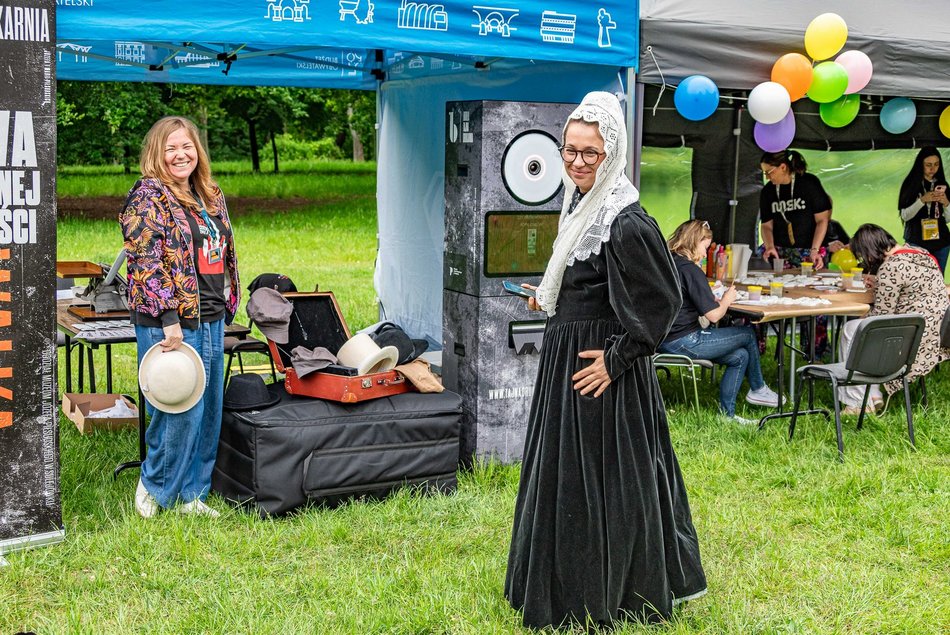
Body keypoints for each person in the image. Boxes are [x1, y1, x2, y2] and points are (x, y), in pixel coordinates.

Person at [504, 92, 707, 628]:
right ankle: (566, 582)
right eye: (568, 151)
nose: (574, 163)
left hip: (602, 371)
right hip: (567, 355)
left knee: (604, 479)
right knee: (567, 476)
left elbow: (663, 302)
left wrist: (618, 359)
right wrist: (548, 296)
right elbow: (589, 280)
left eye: (588, 154)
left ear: (612, 152)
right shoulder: (581, 202)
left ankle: (614, 591)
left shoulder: (626, 220)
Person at [120, 116, 240, 518]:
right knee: (175, 406)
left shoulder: (209, 193)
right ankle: (155, 488)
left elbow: (221, 251)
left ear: (197, 151)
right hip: (168, 320)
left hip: (210, 313)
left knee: (207, 409)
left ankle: (191, 492)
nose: (180, 155)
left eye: (186, 146)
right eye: (170, 148)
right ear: (157, 153)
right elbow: (146, 259)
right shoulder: (148, 196)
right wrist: (168, 315)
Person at [658, 220, 780, 423]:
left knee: (740, 356)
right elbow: (714, 316)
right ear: (694, 241)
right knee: (747, 333)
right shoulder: (691, 270)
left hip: (662, 338)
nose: (706, 254)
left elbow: (684, 299)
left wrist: (709, 296)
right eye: (705, 248)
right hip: (685, 340)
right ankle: (758, 388)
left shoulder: (668, 262)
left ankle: (727, 416)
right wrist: (726, 300)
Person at [837, 224, 950, 414]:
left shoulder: (891, 268)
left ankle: (857, 403)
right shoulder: (920, 253)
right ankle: (873, 394)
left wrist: (863, 314)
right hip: (934, 332)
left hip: (913, 339)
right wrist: (880, 283)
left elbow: (881, 317)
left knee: (852, 329)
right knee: (861, 329)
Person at [759, 149, 832, 270]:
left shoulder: (809, 183)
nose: (767, 177)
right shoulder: (767, 191)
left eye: (769, 172)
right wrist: (769, 246)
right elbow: (766, 225)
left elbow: (822, 220)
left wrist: (815, 249)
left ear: (783, 167)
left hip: (810, 250)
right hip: (781, 251)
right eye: (764, 173)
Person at [897, 146, 950, 272]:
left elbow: (947, 219)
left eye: (936, 164)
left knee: (937, 282)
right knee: (916, 282)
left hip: (941, 243)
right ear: (920, 165)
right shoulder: (910, 184)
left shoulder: (943, 184)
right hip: (916, 242)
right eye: (928, 165)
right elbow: (905, 215)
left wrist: (946, 204)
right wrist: (922, 201)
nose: (933, 169)